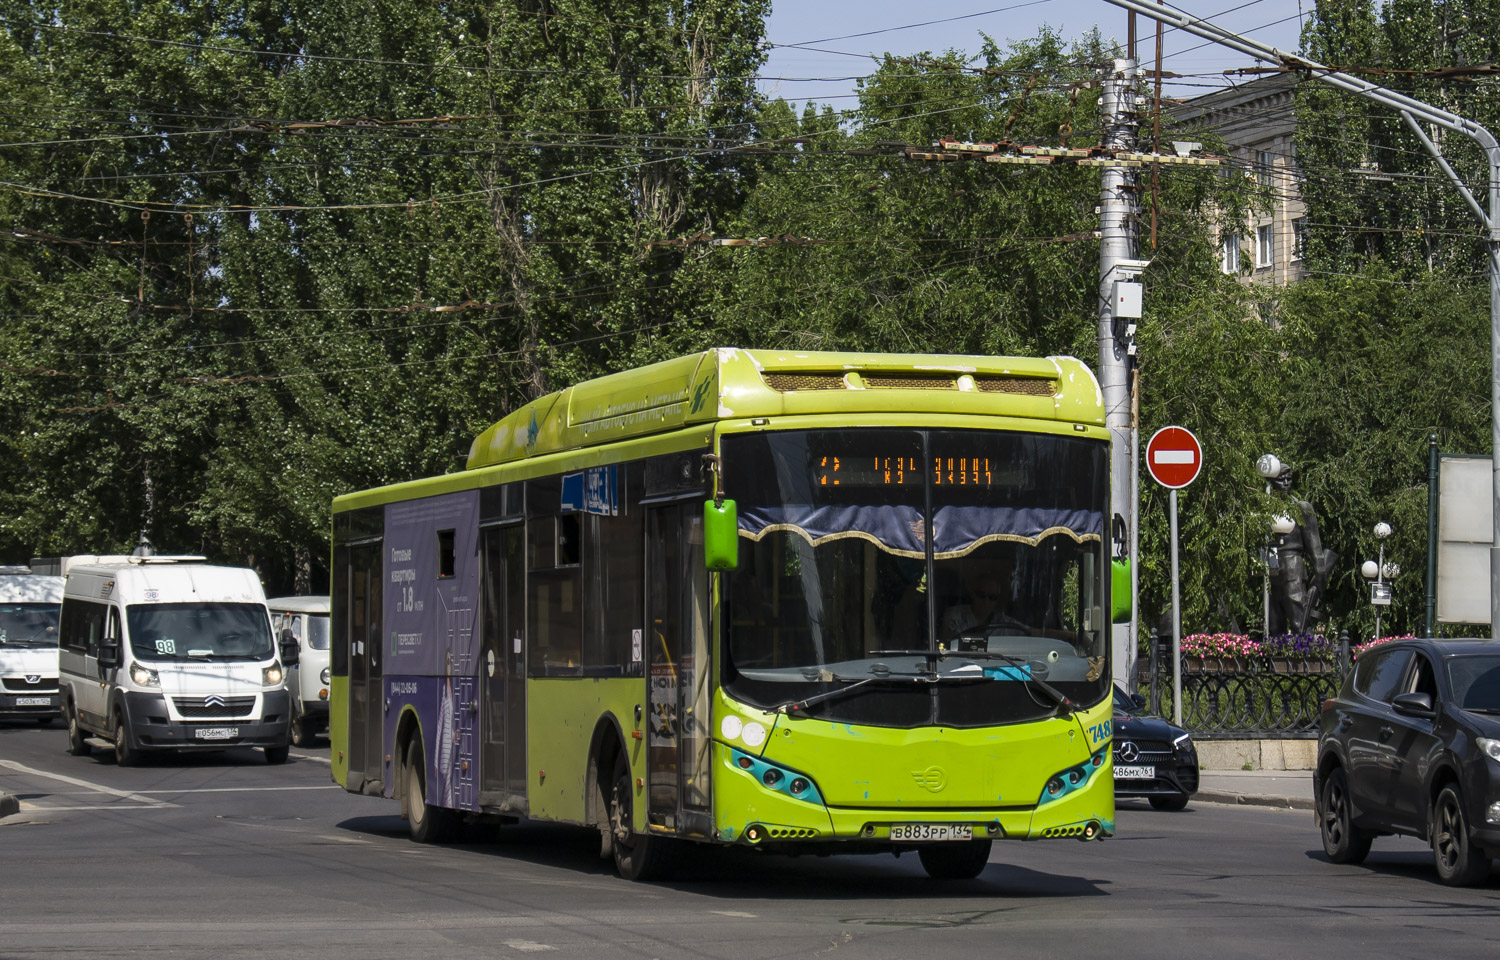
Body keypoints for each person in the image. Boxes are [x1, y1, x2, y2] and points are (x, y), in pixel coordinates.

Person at [941, 570, 1028, 642]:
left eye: (992, 597)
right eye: (981, 595)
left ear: (997, 600)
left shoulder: (1004, 622)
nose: (986, 601)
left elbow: (1032, 632)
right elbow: (947, 642)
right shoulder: (955, 615)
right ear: (973, 594)